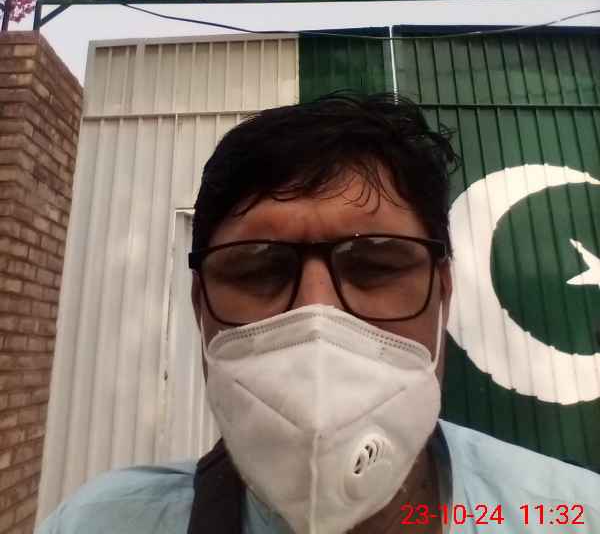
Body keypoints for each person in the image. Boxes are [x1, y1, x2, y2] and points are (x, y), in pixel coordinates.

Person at [37, 93, 599, 534]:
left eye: (375, 266)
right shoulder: (99, 523)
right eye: (256, 270)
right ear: (199, 306)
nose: (316, 314)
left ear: (443, 293)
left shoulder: (571, 514)